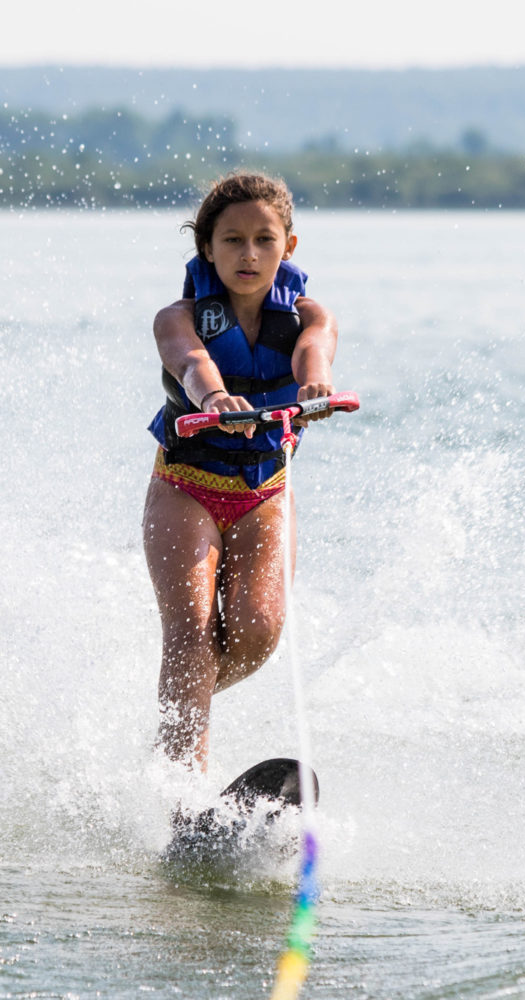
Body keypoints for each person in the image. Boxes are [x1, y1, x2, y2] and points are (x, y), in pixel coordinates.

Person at [143, 172, 340, 773]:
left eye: (264, 239)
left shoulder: (310, 317)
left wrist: (315, 384)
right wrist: (214, 399)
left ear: (289, 247)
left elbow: (315, 351)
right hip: (187, 487)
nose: (248, 254)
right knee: (192, 630)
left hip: (265, 492)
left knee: (259, 632)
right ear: (206, 247)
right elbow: (191, 360)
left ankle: (176, 719)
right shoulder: (176, 317)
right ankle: (181, 790)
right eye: (231, 240)